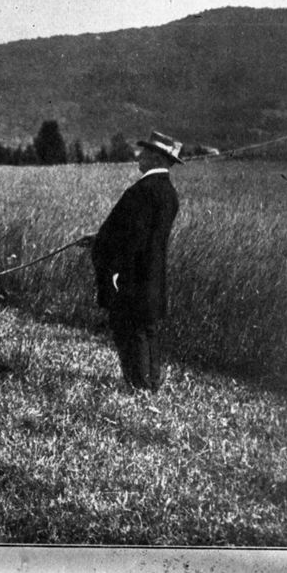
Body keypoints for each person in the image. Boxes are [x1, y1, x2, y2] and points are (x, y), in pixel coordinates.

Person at [81, 131, 182, 391]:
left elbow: (131, 238)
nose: (140, 156)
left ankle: (138, 385)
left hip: (131, 275)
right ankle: (150, 382)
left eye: (146, 152)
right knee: (147, 328)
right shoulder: (169, 193)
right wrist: (100, 236)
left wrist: (114, 270)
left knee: (129, 328)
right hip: (152, 275)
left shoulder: (141, 191)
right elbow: (140, 233)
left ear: (155, 157)